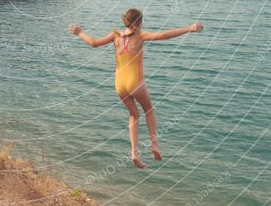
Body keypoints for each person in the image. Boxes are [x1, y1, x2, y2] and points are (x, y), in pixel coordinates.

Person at [68, 9, 203, 169]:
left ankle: (134, 153)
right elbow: (165, 35)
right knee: (149, 110)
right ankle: (154, 145)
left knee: (134, 114)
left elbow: (94, 43)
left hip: (119, 84)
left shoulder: (115, 35)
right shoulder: (140, 36)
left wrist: (79, 32)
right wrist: (189, 28)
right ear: (138, 23)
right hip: (135, 82)